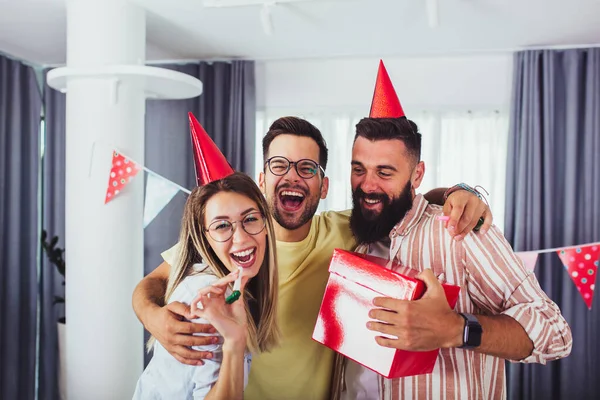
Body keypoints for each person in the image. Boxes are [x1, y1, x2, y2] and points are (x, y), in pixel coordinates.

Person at [132, 116, 492, 399]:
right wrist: (154, 318)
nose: (293, 176)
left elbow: (401, 203)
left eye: (307, 168)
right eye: (279, 165)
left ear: (324, 186)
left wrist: (456, 192)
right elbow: (153, 283)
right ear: (261, 180)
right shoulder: (231, 240)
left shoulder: (345, 231)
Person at [334, 62, 572, 400]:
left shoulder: (459, 231)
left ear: (417, 175)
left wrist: (457, 329)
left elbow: (555, 333)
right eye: (359, 169)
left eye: (385, 172)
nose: (367, 185)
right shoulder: (350, 237)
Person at [132, 117, 279, 399]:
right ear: (204, 237)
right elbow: (150, 283)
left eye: (250, 219)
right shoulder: (203, 298)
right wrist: (234, 342)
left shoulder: (236, 287)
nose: (242, 238)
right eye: (222, 225)